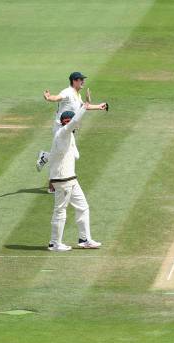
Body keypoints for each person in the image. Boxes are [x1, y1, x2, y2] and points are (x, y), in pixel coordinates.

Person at [47, 105, 101, 251]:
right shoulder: (63, 133)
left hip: (70, 178)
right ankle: (55, 243)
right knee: (60, 210)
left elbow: (55, 157)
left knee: (83, 207)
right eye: (68, 122)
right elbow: (74, 122)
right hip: (64, 180)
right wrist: (84, 107)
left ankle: (84, 239)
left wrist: (50, 178)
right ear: (66, 122)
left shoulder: (67, 135)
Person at [38, 72, 107, 173]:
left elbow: (83, 107)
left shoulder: (77, 95)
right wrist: (48, 97)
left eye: (83, 79)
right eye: (81, 79)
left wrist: (99, 107)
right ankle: (53, 177)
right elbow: (57, 97)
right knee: (65, 154)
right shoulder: (68, 92)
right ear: (74, 81)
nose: (83, 81)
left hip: (69, 129)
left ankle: (46, 157)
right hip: (60, 128)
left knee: (73, 155)